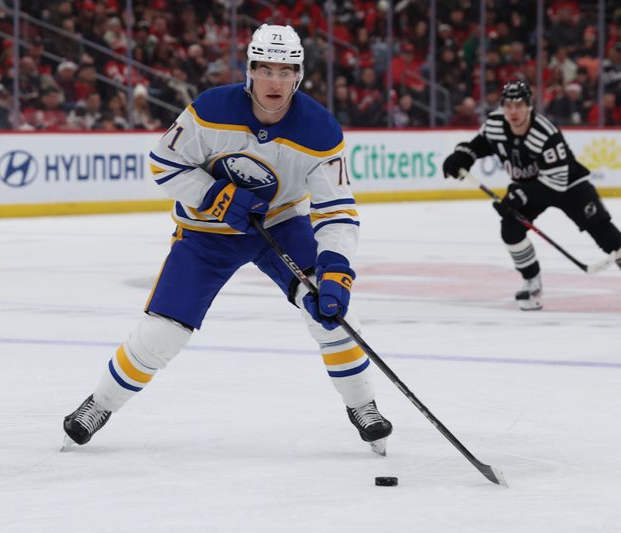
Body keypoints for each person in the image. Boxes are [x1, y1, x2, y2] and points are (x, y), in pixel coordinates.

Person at [62, 24, 393, 455]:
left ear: (299, 75)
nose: (275, 81)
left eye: (286, 70)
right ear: (250, 70)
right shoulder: (209, 109)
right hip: (206, 232)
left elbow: (336, 210)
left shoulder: (320, 130)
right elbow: (164, 162)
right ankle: (100, 403)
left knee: (327, 309)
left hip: (280, 225)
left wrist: (337, 270)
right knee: (164, 331)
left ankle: (362, 405)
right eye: (266, 69)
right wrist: (215, 197)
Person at [442, 80, 621, 310]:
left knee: (603, 231)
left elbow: (555, 183)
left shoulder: (545, 133)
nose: (513, 111)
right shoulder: (495, 123)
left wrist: (519, 197)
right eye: (508, 105)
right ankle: (531, 280)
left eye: (519, 105)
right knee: (511, 229)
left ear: (529, 106)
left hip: (569, 185)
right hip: (530, 187)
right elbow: (481, 145)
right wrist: (462, 157)